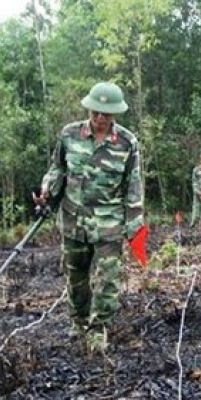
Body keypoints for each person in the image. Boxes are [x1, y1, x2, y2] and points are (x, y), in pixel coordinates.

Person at [33, 82, 144, 354]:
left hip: (109, 223)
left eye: (106, 114)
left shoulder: (128, 143)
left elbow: (134, 184)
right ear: (89, 109)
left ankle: (98, 329)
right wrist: (48, 190)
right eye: (96, 112)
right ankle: (79, 322)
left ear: (115, 114)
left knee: (107, 278)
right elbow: (57, 168)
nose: (100, 118)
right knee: (76, 276)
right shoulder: (69, 134)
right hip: (73, 219)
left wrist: (134, 222)